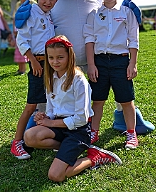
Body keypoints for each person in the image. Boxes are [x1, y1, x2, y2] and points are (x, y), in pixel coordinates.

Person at [23, 35, 122, 182]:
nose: (55, 62)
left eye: (60, 57)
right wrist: (45, 117)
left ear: (70, 56)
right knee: (29, 137)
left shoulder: (78, 80)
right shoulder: (50, 77)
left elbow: (81, 119)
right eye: (51, 58)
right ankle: (66, 149)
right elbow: (52, 108)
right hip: (59, 127)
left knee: (56, 175)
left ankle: (95, 157)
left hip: (78, 131)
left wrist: (52, 123)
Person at [83, 0, 139, 149]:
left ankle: (131, 134)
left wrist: (132, 63)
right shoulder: (93, 14)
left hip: (121, 62)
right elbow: (89, 40)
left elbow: (133, 39)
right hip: (99, 62)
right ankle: (94, 132)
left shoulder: (126, 12)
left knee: (126, 100)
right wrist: (91, 65)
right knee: (98, 100)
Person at [10, 0, 59, 159]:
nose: (48, 2)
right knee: (32, 105)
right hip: (38, 64)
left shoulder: (48, 15)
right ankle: (16, 143)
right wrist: (32, 61)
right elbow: (21, 40)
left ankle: (47, 134)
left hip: (50, 64)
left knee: (52, 101)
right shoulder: (31, 13)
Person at [13, 0, 37, 75]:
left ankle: (28, 68)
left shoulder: (33, 3)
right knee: (19, 48)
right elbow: (15, 17)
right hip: (20, 29)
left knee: (31, 49)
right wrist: (14, 29)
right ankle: (21, 69)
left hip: (31, 29)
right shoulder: (18, 4)